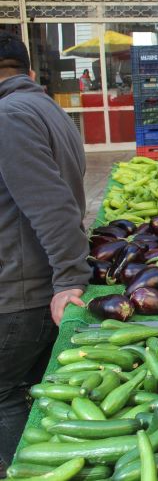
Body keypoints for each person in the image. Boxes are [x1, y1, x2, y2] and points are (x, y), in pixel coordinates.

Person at [0, 33, 90, 466]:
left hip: (21, 289)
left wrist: (69, 278)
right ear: (28, 72)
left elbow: (50, 204)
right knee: (33, 392)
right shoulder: (45, 107)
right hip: (35, 282)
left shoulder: (7, 116)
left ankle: (24, 469)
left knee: (5, 397)